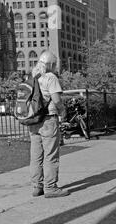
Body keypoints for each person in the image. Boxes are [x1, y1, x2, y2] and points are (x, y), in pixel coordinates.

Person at [29, 51, 70, 198]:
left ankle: (37, 186)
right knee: (51, 155)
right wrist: (63, 111)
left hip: (33, 120)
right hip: (48, 119)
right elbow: (57, 100)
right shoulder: (50, 77)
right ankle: (51, 187)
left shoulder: (32, 76)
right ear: (51, 64)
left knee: (36, 156)